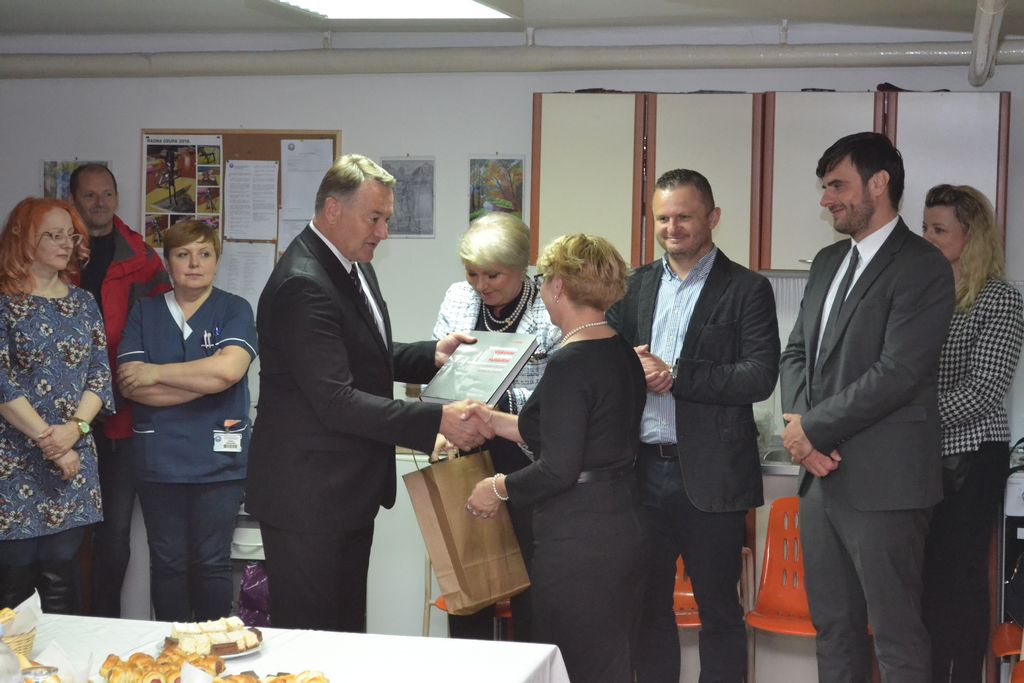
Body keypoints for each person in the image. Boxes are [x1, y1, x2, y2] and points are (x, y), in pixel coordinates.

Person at [246, 154, 492, 633]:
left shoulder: (351, 265)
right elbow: (335, 401)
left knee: (346, 637)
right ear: (333, 210)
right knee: (314, 641)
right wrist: (436, 420)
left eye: (386, 220)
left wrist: (430, 355)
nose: (383, 232)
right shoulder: (303, 282)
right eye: (374, 219)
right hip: (308, 498)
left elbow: (361, 351)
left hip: (345, 492)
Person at [779, 132, 955, 683]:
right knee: (834, 631)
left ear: (878, 184)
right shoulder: (828, 261)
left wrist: (812, 429)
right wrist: (801, 431)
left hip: (887, 485)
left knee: (897, 637)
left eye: (837, 185)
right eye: (824, 187)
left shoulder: (923, 266)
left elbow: (898, 373)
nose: (826, 199)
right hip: (819, 482)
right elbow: (797, 353)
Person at [605, 168, 780, 683]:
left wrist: (676, 376)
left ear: (713, 217)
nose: (672, 228)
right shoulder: (632, 286)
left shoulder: (747, 288)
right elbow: (604, 360)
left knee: (720, 612)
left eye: (684, 217)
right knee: (646, 610)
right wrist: (628, 366)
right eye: (662, 218)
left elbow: (759, 375)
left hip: (712, 477)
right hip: (640, 473)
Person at [465, 233, 648, 683]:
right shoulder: (620, 350)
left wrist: (497, 487)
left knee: (574, 666)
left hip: (577, 541)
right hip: (622, 524)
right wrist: (494, 420)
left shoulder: (570, 361)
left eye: (544, 279)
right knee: (610, 663)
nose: (541, 289)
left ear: (559, 286)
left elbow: (558, 468)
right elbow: (579, 434)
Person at [116, 220, 256, 621]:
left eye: (204, 254)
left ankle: (214, 649)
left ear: (216, 260)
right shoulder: (145, 312)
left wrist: (157, 373)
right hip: (160, 462)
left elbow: (228, 371)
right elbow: (131, 386)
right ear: (168, 262)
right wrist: (206, 380)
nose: (195, 264)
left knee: (212, 563)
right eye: (183, 254)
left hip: (219, 463)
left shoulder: (235, 309)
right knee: (168, 564)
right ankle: (173, 649)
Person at [432, 212, 562, 642]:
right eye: (472, 273)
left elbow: (559, 392)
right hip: (466, 455)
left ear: (521, 266)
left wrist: (497, 407)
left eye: (493, 275)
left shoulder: (547, 306)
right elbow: (441, 373)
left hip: (527, 460)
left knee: (532, 592)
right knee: (470, 591)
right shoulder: (457, 298)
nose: (481, 285)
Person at [919, 184, 1023, 682]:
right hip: (923, 456)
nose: (927, 238)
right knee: (927, 579)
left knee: (960, 579)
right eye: (924, 227)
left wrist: (910, 421)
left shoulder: (1000, 299)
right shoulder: (924, 294)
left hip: (974, 456)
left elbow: (983, 391)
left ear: (972, 236)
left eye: (939, 229)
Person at [0, 197, 113, 613]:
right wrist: (52, 442)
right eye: (53, 235)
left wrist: (74, 432)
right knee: (13, 586)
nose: (67, 244)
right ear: (23, 238)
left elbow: (99, 376)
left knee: (63, 583)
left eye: (71, 236)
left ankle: (60, 658)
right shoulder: (4, 302)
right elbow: (3, 383)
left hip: (73, 461)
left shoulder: (83, 303)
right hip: (13, 462)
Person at [69, 163, 170, 617]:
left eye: (106, 193)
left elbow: (164, 326)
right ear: (74, 200)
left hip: (122, 418)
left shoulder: (141, 257)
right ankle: (61, 628)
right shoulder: (57, 251)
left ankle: (104, 625)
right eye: (89, 195)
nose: (99, 203)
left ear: (116, 197)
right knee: (63, 535)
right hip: (61, 416)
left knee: (113, 537)